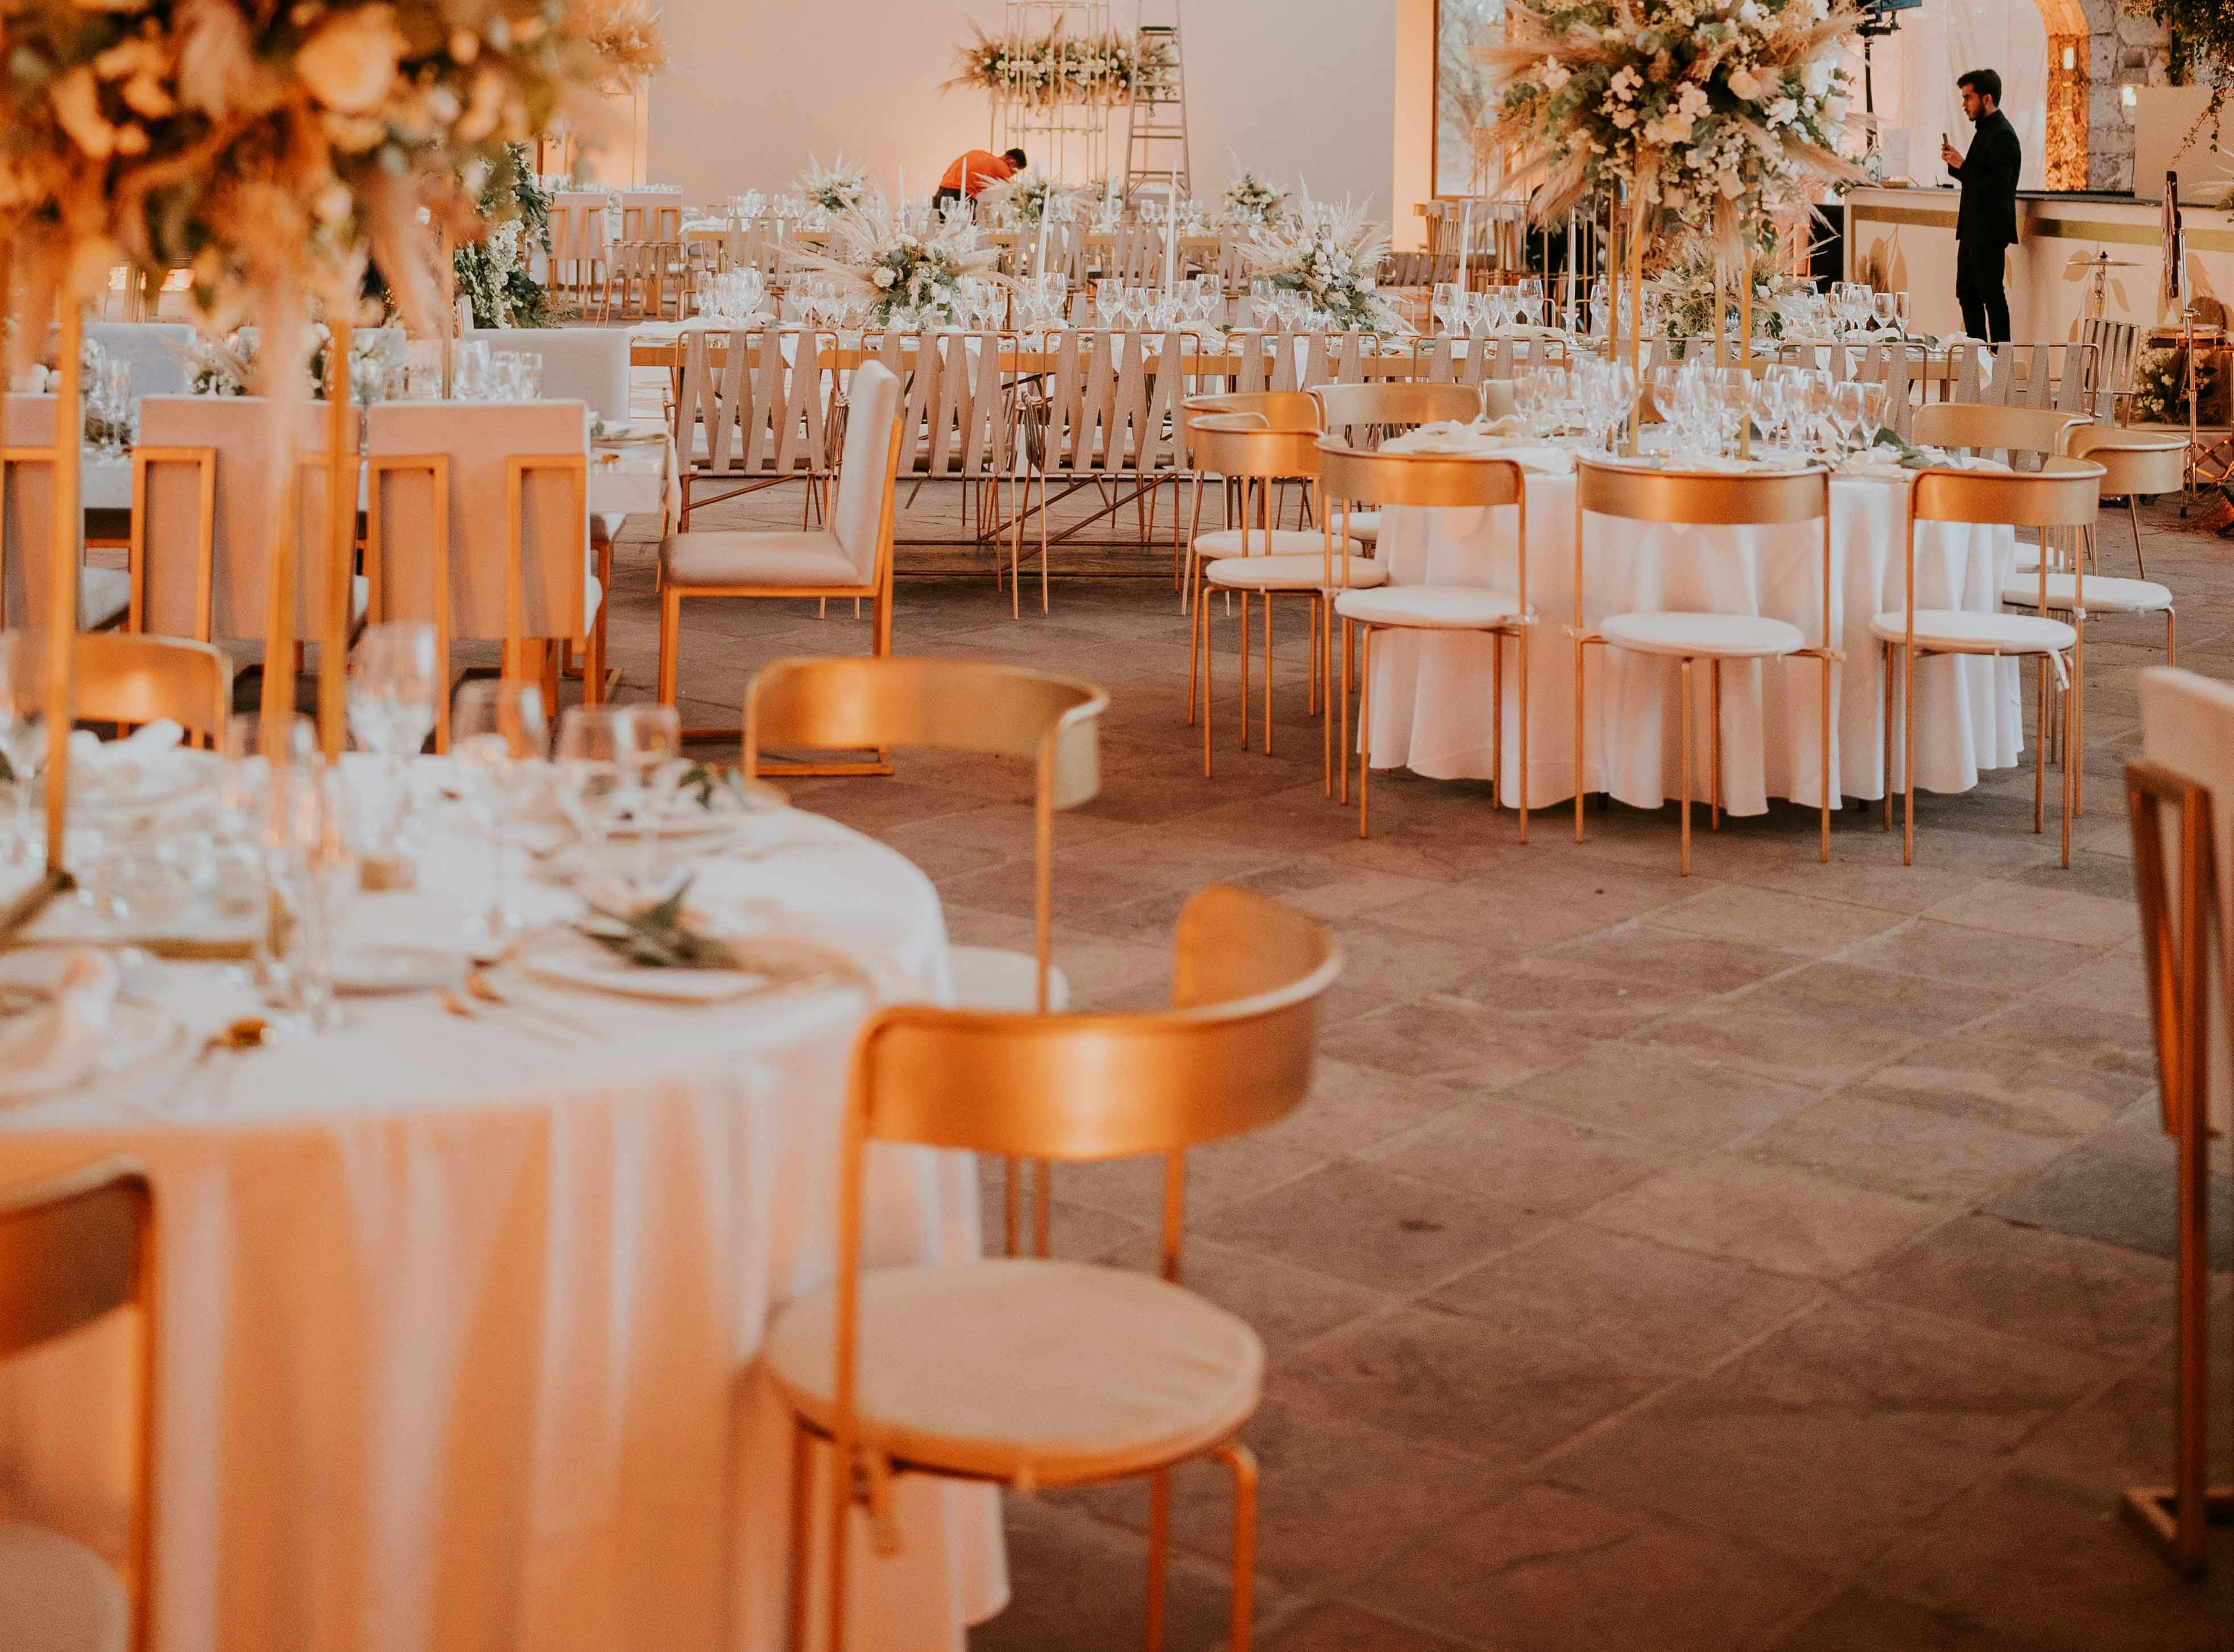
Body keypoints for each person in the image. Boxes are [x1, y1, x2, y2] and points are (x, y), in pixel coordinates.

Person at [1940, 68, 2020, 343]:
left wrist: (1964, 165)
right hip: (1973, 229)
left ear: (1987, 98)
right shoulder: (1986, 131)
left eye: (1969, 98)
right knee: (1968, 296)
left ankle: (1999, 365)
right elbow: (1978, 179)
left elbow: (1997, 187)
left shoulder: (2003, 135)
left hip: (1990, 230)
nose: (1964, 105)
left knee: (1992, 299)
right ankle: (1978, 362)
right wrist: (1958, 165)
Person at [932, 147, 1028, 213]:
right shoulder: (1001, 166)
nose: (1012, 175)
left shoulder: (979, 153)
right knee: (969, 234)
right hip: (960, 198)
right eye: (1015, 172)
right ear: (1012, 163)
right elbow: (1016, 193)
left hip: (941, 194)